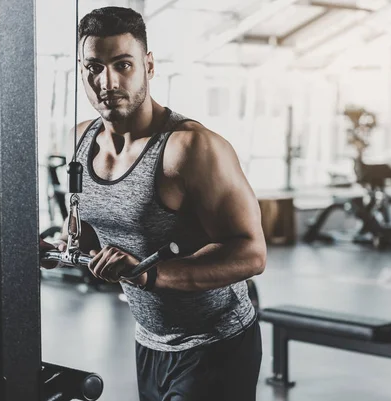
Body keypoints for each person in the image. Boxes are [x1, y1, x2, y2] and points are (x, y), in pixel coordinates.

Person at [32, 6, 266, 401]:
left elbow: (251, 254)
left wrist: (149, 276)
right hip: (149, 342)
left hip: (215, 344)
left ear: (149, 65)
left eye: (123, 64)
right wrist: (62, 253)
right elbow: (95, 239)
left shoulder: (189, 148)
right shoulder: (80, 140)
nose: (107, 81)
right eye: (93, 67)